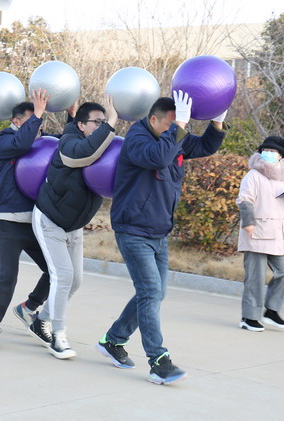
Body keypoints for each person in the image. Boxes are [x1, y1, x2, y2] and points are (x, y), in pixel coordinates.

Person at [96, 91, 226, 385]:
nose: (174, 130)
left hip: (158, 232)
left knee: (153, 293)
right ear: (153, 119)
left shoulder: (171, 136)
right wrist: (178, 127)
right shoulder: (138, 139)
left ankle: (113, 340)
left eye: (176, 125)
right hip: (133, 229)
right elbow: (159, 157)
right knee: (151, 292)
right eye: (170, 124)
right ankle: (158, 361)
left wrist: (217, 122)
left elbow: (205, 146)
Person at [30, 97, 118, 359]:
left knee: (76, 281)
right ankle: (58, 335)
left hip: (74, 224)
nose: (101, 126)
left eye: (103, 122)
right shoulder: (68, 144)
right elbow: (83, 154)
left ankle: (40, 321)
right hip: (50, 220)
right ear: (81, 125)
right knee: (63, 277)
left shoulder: (102, 147)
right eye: (97, 122)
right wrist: (112, 122)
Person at [0, 89, 52, 350]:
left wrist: (73, 116)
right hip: (8, 218)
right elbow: (21, 144)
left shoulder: (39, 142)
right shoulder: (5, 139)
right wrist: (38, 114)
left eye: (39, 121)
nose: (38, 126)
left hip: (34, 220)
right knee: (8, 276)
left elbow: (66, 145)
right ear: (17, 121)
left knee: (56, 271)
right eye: (32, 121)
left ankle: (29, 307)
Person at [236, 136, 284, 332]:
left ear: (281, 156)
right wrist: (248, 223)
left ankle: (271, 310)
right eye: (265, 150)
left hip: (278, 234)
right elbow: (244, 200)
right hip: (256, 232)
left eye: (272, 151)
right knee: (255, 278)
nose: (268, 154)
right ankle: (248, 318)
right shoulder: (253, 175)